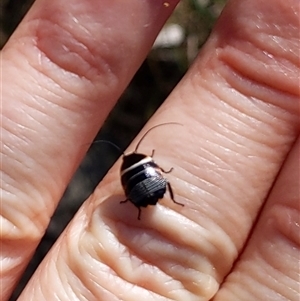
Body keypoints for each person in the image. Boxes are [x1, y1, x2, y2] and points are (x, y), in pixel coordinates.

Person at [1, 0, 299, 300]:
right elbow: (155, 174)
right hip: (148, 189)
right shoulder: (145, 167)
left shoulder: (131, 172)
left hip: (144, 193)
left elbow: (140, 179)